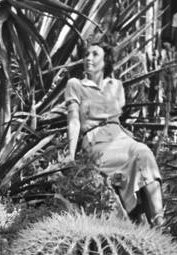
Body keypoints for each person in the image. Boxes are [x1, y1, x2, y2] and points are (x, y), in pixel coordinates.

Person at [64, 36, 164, 226]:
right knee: (135, 158)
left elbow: (117, 117)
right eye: (86, 54)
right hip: (96, 141)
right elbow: (74, 121)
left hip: (120, 136)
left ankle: (159, 221)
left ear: (106, 61)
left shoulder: (116, 86)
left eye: (95, 54)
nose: (88, 58)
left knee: (144, 152)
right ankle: (145, 220)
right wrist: (70, 155)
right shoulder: (75, 85)